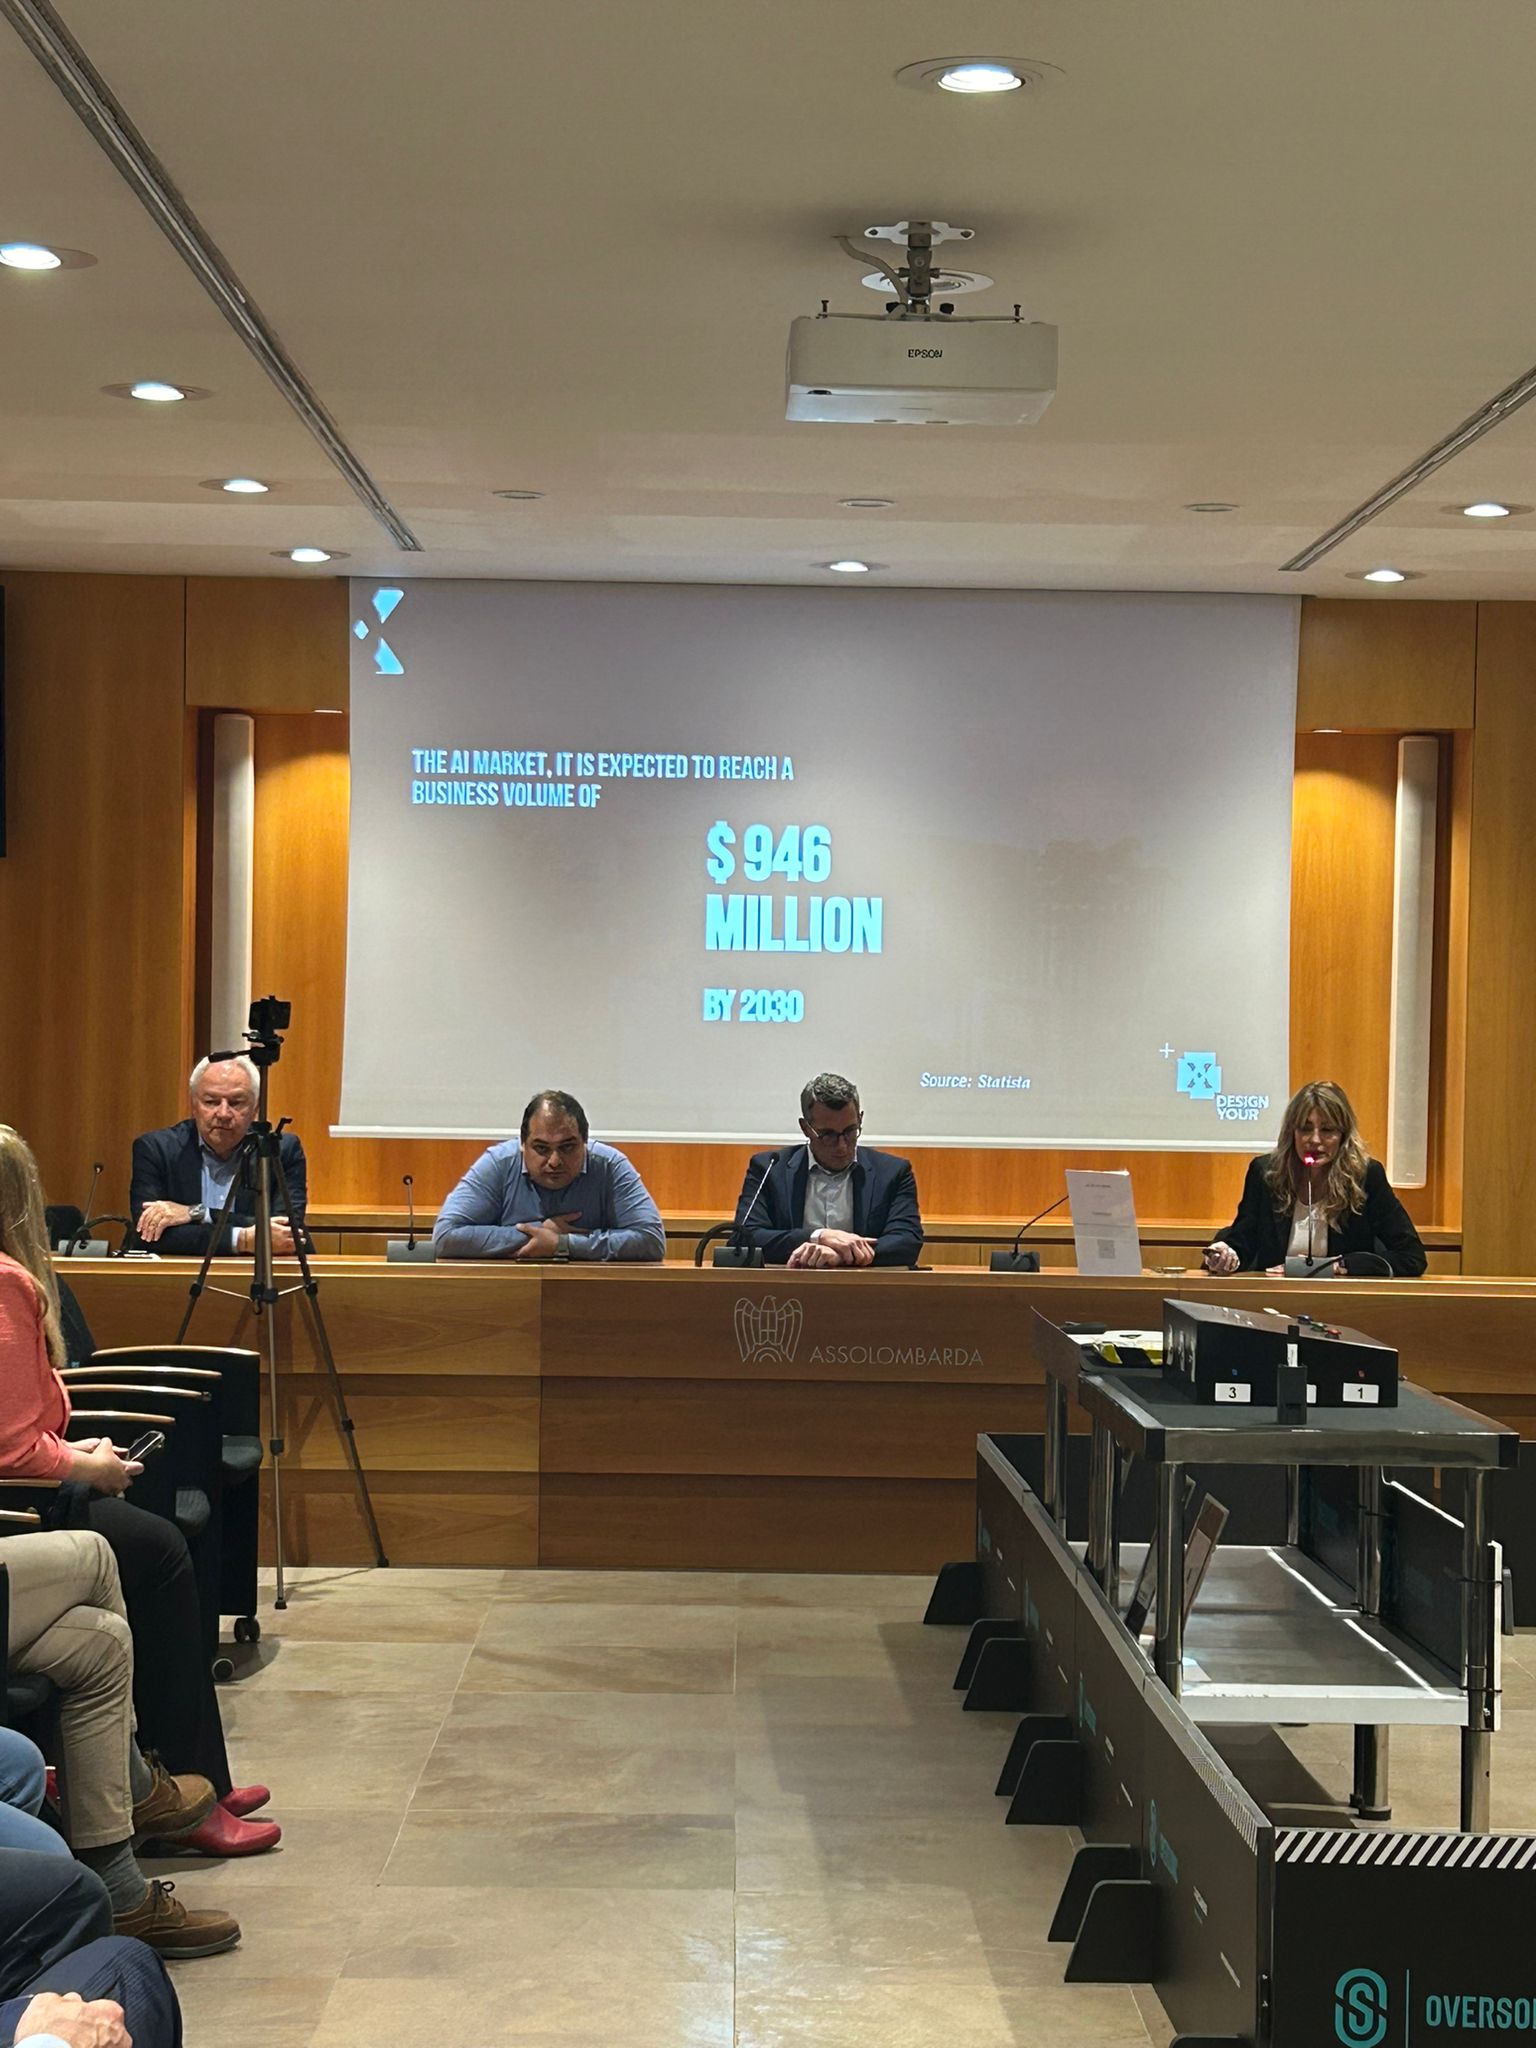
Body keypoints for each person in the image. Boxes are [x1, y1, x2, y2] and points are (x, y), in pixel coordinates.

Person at [0, 1128, 278, 1860]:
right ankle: (179, 1787)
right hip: (18, 1506)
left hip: (25, 1495)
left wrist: (75, 1452)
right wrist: (88, 1466)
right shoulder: (6, 1282)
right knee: (154, 1551)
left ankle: (187, 1788)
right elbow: (13, 1448)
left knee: (112, 1602)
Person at [1202, 1079, 1427, 1277]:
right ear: (1292, 1132)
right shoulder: (1266, 1173)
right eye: (1305, 1129)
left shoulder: (1365, 1176)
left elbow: (1412, 1256)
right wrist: (1227, 1254)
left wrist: (1340, 1266)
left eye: (1327, 1130)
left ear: (1343, 1136)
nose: (1315, 1140)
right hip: (1274, 1299)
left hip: (1342, 1300)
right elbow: (1244, 1241)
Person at [434, 1091, 665, 1262]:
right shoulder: (499, 1163)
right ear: (523, 1145)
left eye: (567, 1147)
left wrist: (564, 1244)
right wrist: (538, 1233)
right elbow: (446, 1236)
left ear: (585, 1143)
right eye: (542, 1148)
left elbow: (651, 1240)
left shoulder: (609, 1165)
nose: (555, 1161)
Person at [732, 1073, 923, 1269]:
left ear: (860, 1119)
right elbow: (743, 1239)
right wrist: (818, 1237)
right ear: (806, 1128)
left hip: (864, 1285)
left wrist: (840, 1255)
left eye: (850, 1131)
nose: (842, 1146)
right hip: (790, 1283)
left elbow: (907, 1242)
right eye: (828, 1135)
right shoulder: (769, 1169)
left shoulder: (892, 1172)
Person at [129, 1055, 306, 1256]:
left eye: (236, 1103)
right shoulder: (156, 1149)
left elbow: (285, 1233)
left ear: (255, 1108)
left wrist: (196, 1213)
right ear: (193, 1105)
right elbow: (149, 1234)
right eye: (211, 1102)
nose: (223, 1114)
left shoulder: (280, 1150)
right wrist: (242, 1239)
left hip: (257, 1271)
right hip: (183, 1272)